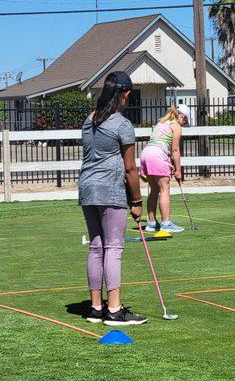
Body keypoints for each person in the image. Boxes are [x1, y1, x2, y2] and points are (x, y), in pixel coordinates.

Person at [78, 71, 147, 325]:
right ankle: (115, 310)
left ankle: (96, 308)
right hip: (109, 190)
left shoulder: (89, 120)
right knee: (113, 248)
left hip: (87, 189)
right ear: (125, 94)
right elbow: (130, 169)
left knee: (96, 247)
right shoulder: (122, 124)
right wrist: (137, 202)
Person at [140, 104, 191, 232]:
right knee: (164, 189)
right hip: (156, 154)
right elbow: (175, 150)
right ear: (182, 116)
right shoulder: (176, 125)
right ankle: (166, 223)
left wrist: (168, 162)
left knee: (154, 190)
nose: (183, 124)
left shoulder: (162, 122)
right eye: (185, 121)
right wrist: (178, 171)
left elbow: (160, 143)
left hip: (146, 153)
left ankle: (151, 224)